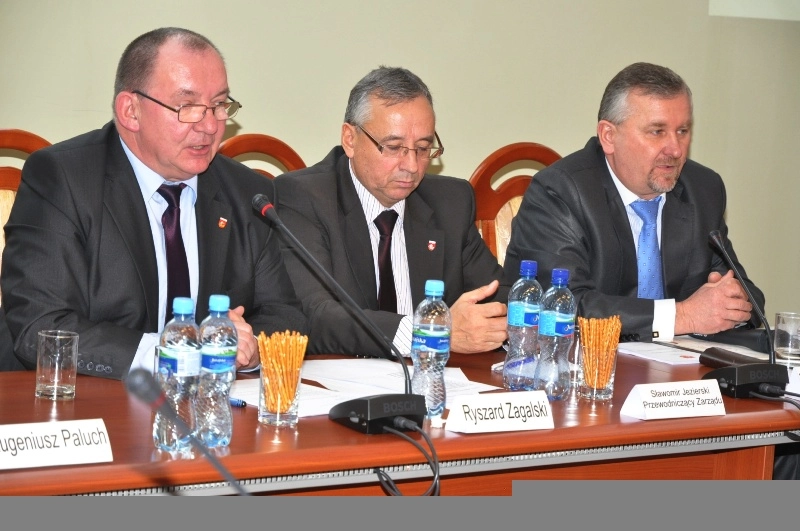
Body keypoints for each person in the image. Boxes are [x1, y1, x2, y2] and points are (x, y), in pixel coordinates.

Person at [0, 27, 306, 379]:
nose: (209, 126)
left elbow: (285, 316)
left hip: (207, 403)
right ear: (131, 111)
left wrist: (247, 349)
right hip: (88, 398)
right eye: (188, 107)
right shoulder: (63, 178)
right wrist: (172, 352)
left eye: (219, 105)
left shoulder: (245, 191)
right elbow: (40, 326)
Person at [505, 62, 763, 343]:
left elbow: (748, 296)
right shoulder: (560, 191)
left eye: (682, 131)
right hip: (588, 364)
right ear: (609, 136)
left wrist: (728, 303)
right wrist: (682, 316)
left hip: (679, 366)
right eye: (657, 131)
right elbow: (562, 305)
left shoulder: (703, 189)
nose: (676, 149)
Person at [273, 66, 508, 357]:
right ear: (350, 139)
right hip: (345, 379)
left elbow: (499, 296)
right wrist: (429, 332)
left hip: (432, 377)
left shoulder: (451, 202)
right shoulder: (304, 198)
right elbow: (314, 314)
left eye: (423, 149)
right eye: (394, 147)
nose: (411, 166)